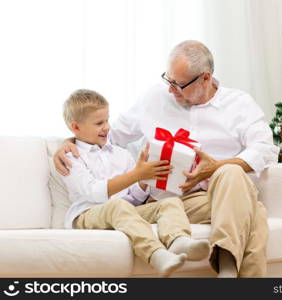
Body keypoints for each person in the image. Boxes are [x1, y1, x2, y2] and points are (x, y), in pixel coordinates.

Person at [55, 40, 279, 277]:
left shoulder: (238, 104)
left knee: (232, 173)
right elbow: (109, 138)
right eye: (168, 80)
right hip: (172, 201)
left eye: (179, 84)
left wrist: (215, 167)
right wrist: (69, 143)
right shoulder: (154, 99)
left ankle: (227, 262)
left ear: (205, 78)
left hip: (220, 193)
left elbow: (265, 148)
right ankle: (230, 270)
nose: (170, 90)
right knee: (254, 210)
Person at [60, 89, 211, 277]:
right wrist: (135, 175)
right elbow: (94, 192)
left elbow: (135, 198)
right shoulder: (71, 157)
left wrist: (145, 179)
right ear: (76, 127)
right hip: (87, 215)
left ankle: (178, 240)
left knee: (169, 203)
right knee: (117, 205)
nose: (107, 127)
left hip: (125, 211)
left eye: (107, 120)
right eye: (99, 123)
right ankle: (156, 254)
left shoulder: (121, 154)